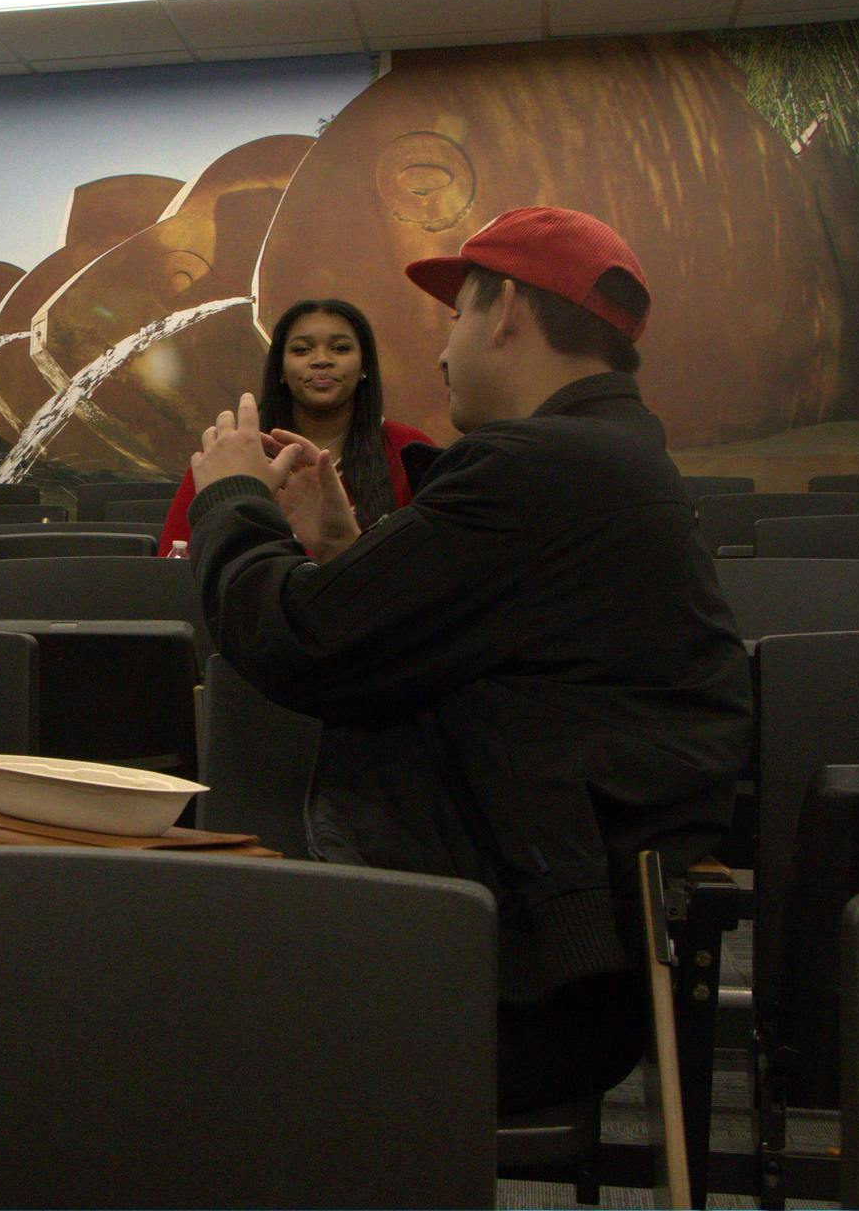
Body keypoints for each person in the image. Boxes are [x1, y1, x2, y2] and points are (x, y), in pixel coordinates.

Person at [183, 206, 751, 1114]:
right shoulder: (614, 461)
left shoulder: (534, 469)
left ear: (509, 311)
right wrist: (348, 552)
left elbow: (294, 643)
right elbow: (484, 660)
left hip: (508, 984)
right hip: (551, 947)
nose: (445, 352)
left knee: (142, 990)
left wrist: (231, 500)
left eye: (456, 317)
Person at [157, 299, 430, 557]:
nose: (321, 360)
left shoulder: (409, 448)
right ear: (280, 369)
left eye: (340, 348)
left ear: (364, 367)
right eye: (301, 350)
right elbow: (175, 560)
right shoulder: (229, 453)